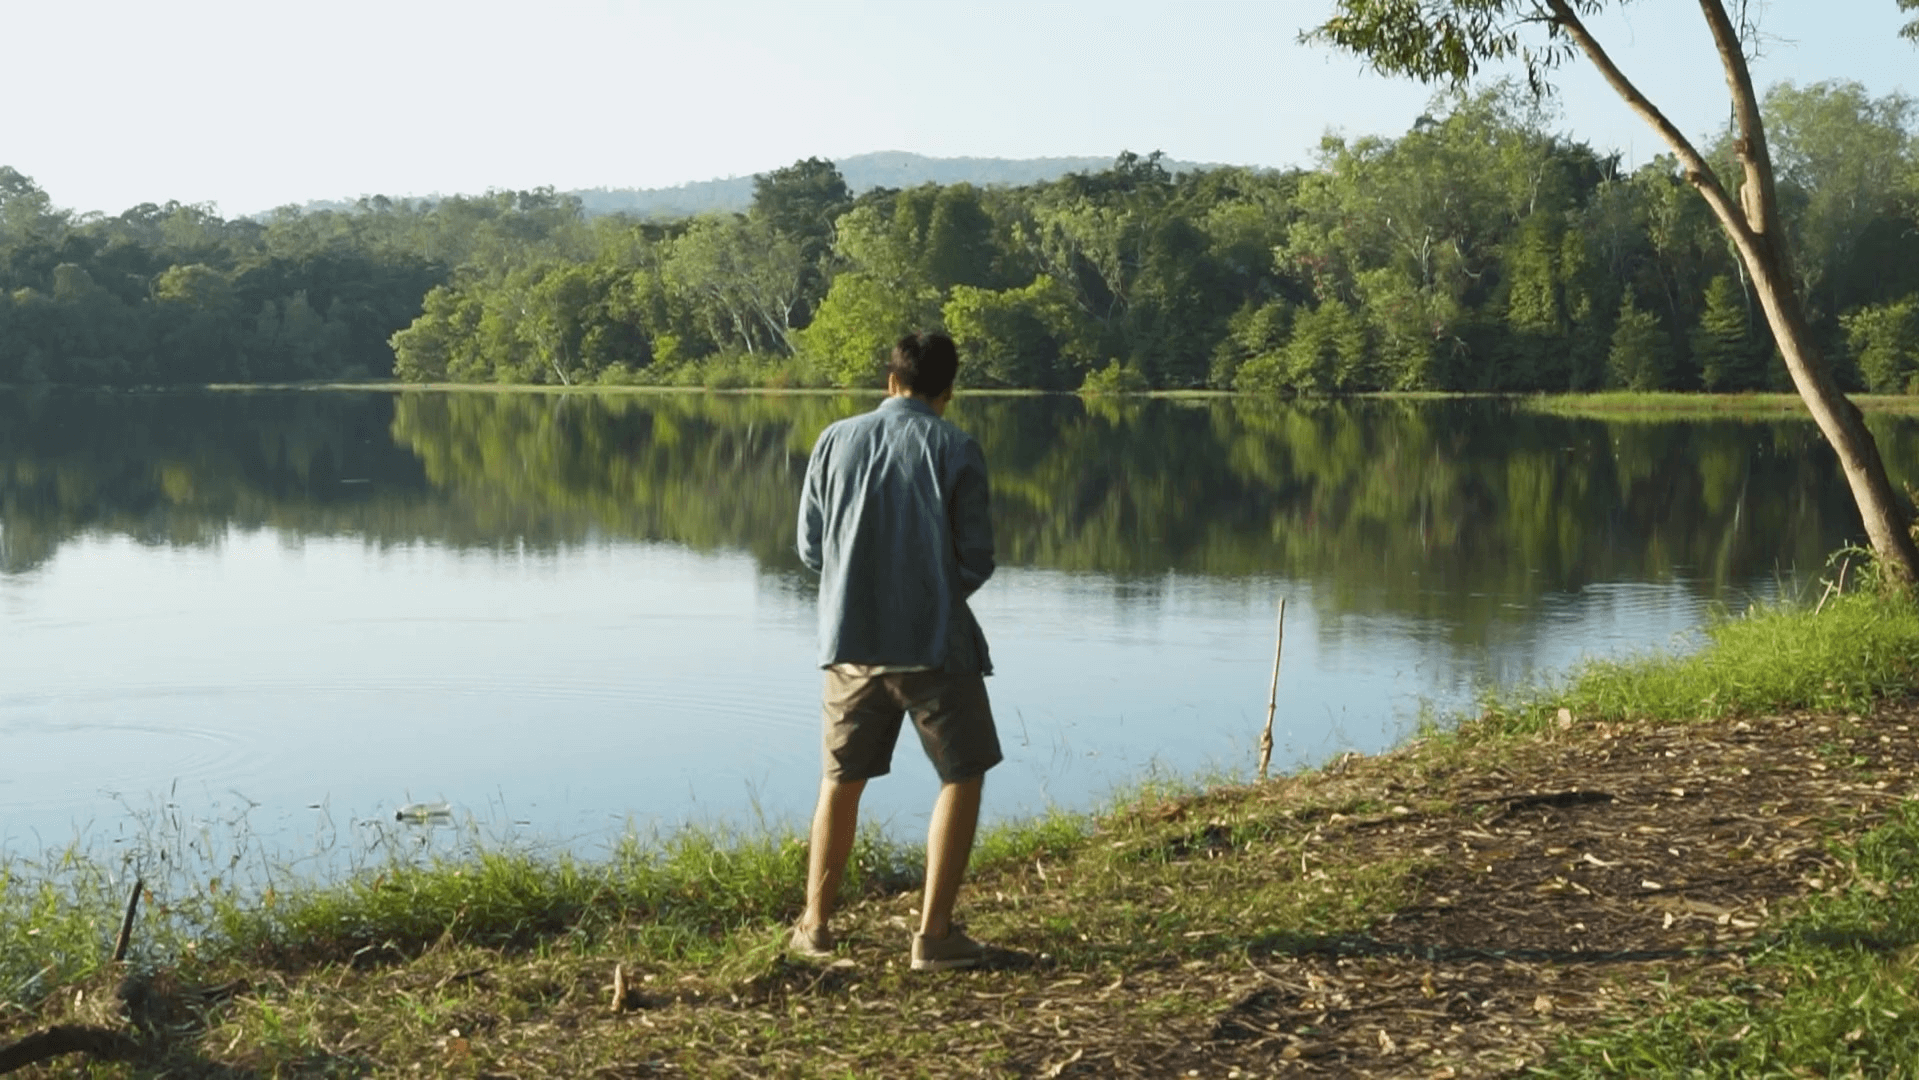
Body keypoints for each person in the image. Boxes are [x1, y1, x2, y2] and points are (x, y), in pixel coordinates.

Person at [791, 331, 1001, 972]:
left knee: (839, 782)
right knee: (962, 776)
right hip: (935, 647)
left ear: (889, 382)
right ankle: (933, 937)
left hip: (850, 649)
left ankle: (816, 929)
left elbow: (809, 549)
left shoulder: (834, 439)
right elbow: (978, 560)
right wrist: (928, 594)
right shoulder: (957, 446)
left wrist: (860, 594)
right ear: (947, 391)